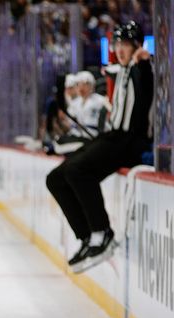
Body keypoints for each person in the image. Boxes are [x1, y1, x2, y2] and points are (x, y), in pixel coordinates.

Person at [45, 21, 153, 274]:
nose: (121, 49)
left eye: (126, 44)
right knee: (55, 178)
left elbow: (146, 75)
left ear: (137, 46)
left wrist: (144, 58)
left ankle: (101, 232)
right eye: (118, 44)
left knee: (78, 172)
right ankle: (86, 236)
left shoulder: (143, 69)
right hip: (113, 136)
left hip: (130, 141)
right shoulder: (122, 71)